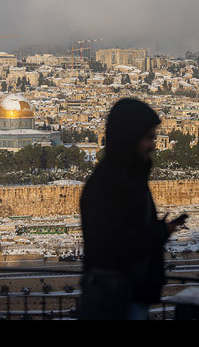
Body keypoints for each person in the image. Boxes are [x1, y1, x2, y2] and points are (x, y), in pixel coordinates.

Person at [79, 98, 186, 320]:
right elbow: (113, 245)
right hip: (113, 299)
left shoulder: (130, 178)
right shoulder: (109, 183)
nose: (154, 144)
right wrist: (160, 233)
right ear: (130, 139)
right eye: (148, 137)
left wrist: (157, 229)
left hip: (126, 294)